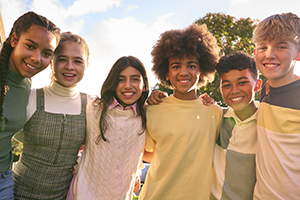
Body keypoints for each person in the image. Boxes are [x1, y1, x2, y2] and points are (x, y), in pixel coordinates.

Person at [138, 24, 223, 200]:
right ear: (166, 73)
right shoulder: (153, 110)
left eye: (191, 66)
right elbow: (145, 153)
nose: (183, 72)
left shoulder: (215, 112)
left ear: (201, 71)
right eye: (176, 66)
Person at [13, 32, 91, 199]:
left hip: (62, 196)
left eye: (77, 61)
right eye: (62, 59)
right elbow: (12, 132)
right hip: (17, 192)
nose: (70, 66)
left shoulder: (92, 105)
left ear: (87, 64)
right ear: (51, 63)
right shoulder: (30, 96)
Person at [67, 56, 149, 200]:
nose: (128, 85)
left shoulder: (147, 115)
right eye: (121, 79)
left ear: (144, 84)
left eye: (135, 79)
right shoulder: (93, 107)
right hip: (82, 192)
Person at [0, 11, 60, 199]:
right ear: (14, 40)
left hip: (3, 178)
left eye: (46, 53)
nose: (36, 58)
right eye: (30, 46)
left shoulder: (26, 85)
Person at [252, 13, 300, 199]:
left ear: (298, 53)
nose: (269, 54)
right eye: (263, 47)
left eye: (281, 46)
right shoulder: (264, 92)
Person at [210, 51, 262, 200]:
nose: (234, 90)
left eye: (242, 82)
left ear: (257, 85)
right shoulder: (217, 118)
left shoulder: (268, 123)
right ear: (221, 90)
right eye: (227, 85)